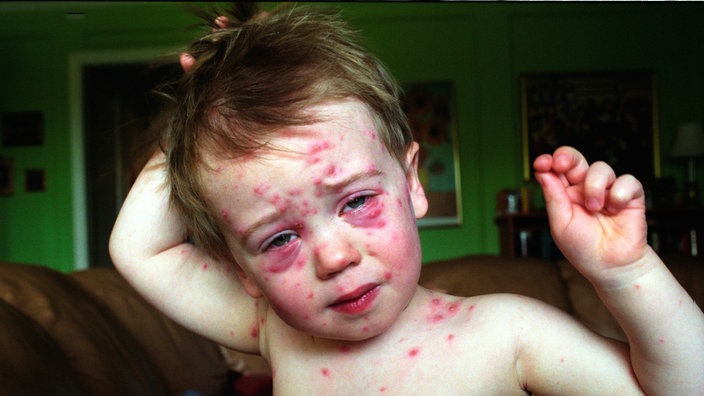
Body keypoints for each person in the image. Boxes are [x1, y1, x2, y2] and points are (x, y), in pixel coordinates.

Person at [110, 3, 704, 394]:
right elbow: (140, 249)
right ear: (241, 267)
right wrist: (195, 119)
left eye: (355, 201)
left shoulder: (506, 332)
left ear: (412, 182)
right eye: (280, 237)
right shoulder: (276, 329)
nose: (335, 256)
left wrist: (626, 273)